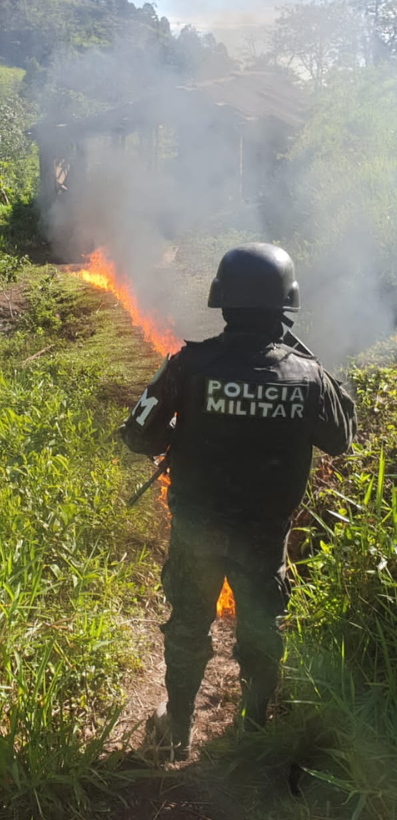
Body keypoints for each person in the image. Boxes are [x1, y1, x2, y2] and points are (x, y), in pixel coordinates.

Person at [119, 243, 355, 762]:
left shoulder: (189, 365)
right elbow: (341, 437)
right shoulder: (308, 376)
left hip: (197, 528)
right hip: (264, 535)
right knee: (260, 629)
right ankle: (252, 731)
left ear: (221, 302)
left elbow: (139, 435)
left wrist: (182, 428)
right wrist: (312, 362)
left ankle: (177, 729)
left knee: (186, 625)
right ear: (285, 307)